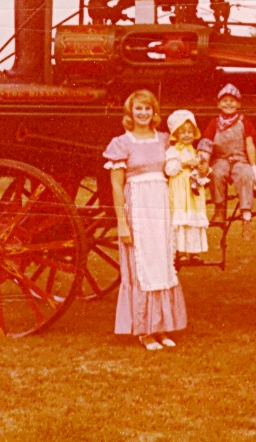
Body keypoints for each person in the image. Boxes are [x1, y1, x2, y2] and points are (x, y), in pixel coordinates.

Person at [103, 89, 186, 351]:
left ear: (154, 112)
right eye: (138, 109)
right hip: (136, 208)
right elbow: (117, 186)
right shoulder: (121, 143)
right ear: (131, 112)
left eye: (147, 109)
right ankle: (144, 331)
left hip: (160, 207)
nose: (143, 113)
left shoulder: (163, 140)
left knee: (161, 264)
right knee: (143, 267)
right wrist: (122, 222)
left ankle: (161, 327)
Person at [199, 83, 256, 241]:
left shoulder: (244, 121)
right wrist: (204, 162)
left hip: (239, 158)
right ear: (218, 104)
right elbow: (206, 143)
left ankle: (246, 218)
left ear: (239, 104)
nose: (228, 103)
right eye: (224, 100)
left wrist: (254, 166)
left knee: (245, 175)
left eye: (233, 100)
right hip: (221, 158)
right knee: (216, 172)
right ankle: (220, 209)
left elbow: (249, 144)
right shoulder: (214, 123)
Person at [165, 110, 210, 264]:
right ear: (176, 134)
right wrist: (185, 164)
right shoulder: (172, 151)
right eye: (182, 132)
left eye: (189, 132)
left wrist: (203, 170)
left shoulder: (196, 152)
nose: (186, 135)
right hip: (179, 189)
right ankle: (181, 251)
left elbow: (203, 170)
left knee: (194, 218)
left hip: (193, 191)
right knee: (182, 218)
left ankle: (195, 252)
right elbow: (169, 169)